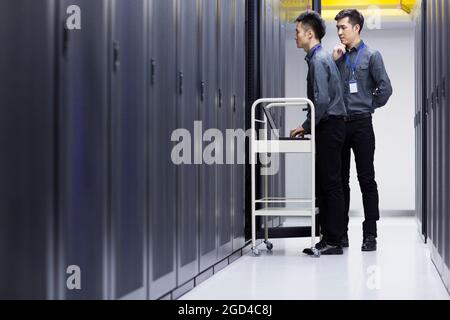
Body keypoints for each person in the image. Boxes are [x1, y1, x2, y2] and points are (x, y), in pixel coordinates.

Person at [332, 9, 393, 251]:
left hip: (362, 124)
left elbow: (385, 89)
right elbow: (330, 89)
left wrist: (369, 104)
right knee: (340, 182)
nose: (339, 32)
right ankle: (341, 233)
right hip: (339, 124)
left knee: (366, 179)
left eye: (343, 27)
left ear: (356, 28)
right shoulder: (337, 56)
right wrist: (335, 62)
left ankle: (370, 235)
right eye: (337, 28)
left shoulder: (371, 56)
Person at [290, 10, 347, 255]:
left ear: (309, 33)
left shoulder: (318, 59)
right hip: (329, 124)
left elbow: (321, 100)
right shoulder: (321, 58)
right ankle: (329, 238)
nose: (295, 37)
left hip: (330, 125)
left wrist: (305, 125)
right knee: (328, 183)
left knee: (330, 183)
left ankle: (333, 240)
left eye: (297, 32)